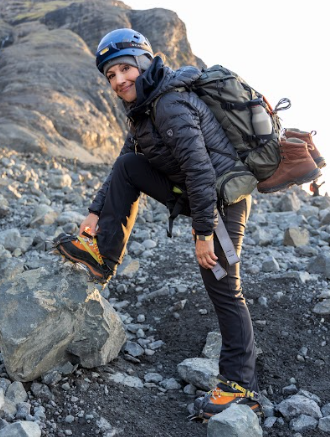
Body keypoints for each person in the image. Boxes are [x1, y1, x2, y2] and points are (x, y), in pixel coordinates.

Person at [53, 28, 261, 419]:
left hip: (221, 199)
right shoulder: (143, 111)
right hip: (192, 191)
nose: (118, 81)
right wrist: (96, 213)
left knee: (222, 285)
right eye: (110, 76)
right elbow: (124, 163)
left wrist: (203, 234)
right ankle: (103, 257)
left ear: (144, 62)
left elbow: (200, 171)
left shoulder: (169, 104)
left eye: (124, 69)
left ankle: (239, 387)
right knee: (129, 165)